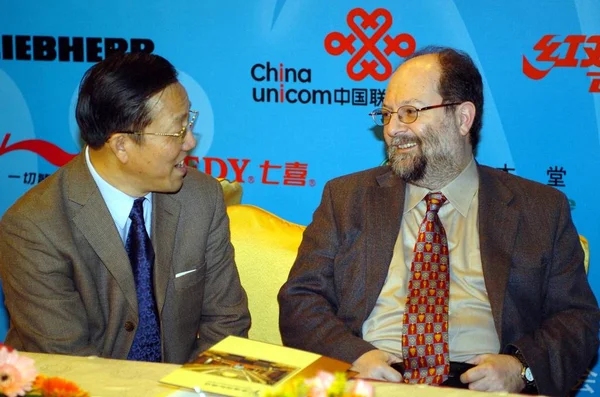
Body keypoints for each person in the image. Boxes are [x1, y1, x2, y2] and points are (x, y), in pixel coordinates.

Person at [278, 46, 600, 396]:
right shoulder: (347, 197)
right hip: (371, 379)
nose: (392, 130)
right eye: (387, 115)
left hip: (480, 386)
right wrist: (354, 356)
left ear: (463, 118)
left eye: (410, 112)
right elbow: (301, 299)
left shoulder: (539, 208)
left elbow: (577, 320)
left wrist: (521, 368)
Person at [0, 52, 250, 363]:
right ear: (121, 146)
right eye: (177, 130)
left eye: (190, 123)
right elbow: (70, 363)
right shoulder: (34, 227)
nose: (189, 142)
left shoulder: (201, 197)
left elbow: (227, 325)